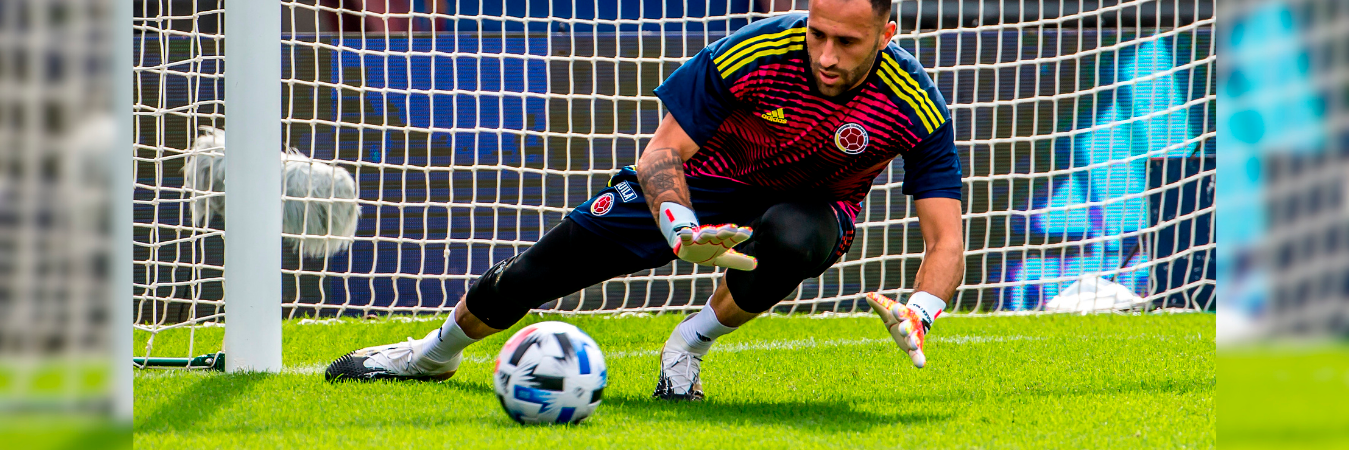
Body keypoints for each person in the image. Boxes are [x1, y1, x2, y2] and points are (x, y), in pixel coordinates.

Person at [325, 0, 965, 401]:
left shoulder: (915, 104)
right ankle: (428, 356)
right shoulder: (755, 52)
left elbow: (945, 238)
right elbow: (662, 155)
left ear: (886, 33)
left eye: (847, 43)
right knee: (535, 273)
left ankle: (687, 347)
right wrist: (682, 226)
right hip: (703, 182)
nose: (826, 55)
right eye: (818, 33)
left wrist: (922, 310)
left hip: (811, 204)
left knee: (795, 241)